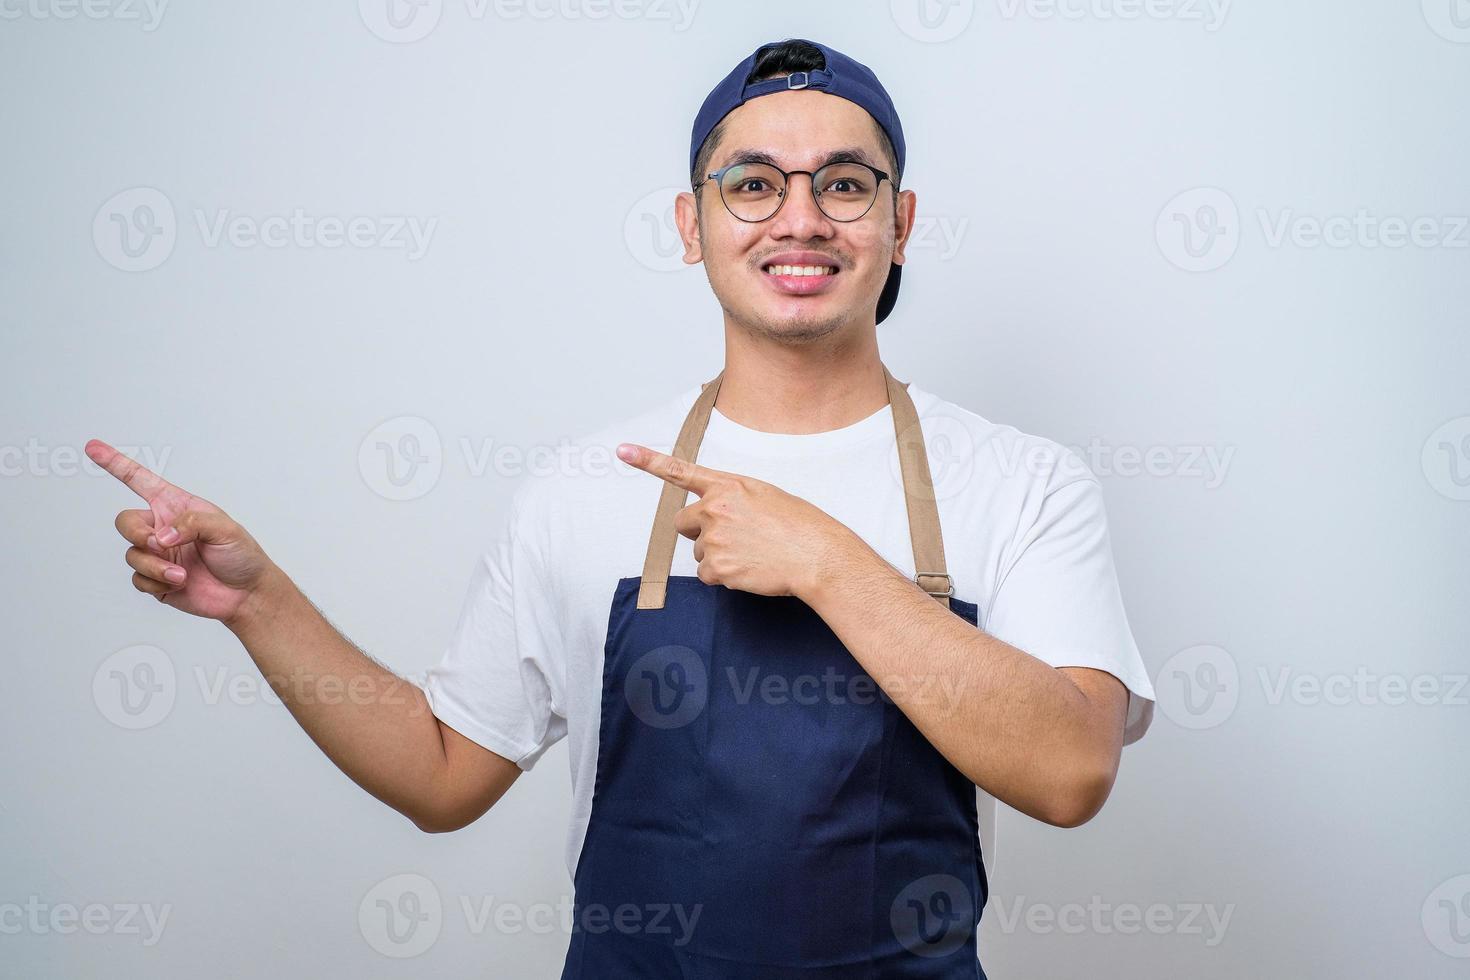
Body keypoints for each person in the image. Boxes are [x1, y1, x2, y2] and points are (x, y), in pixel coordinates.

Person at [88, 37, 1156, 979]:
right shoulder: (584, 486)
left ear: (899, 220)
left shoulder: (1021, 481)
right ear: (692, 224)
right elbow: (442, 774)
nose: (800, 218)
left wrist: (827, 559)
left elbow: (1071, 768)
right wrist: (258, 603)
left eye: (844, 183)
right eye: (751, 184)